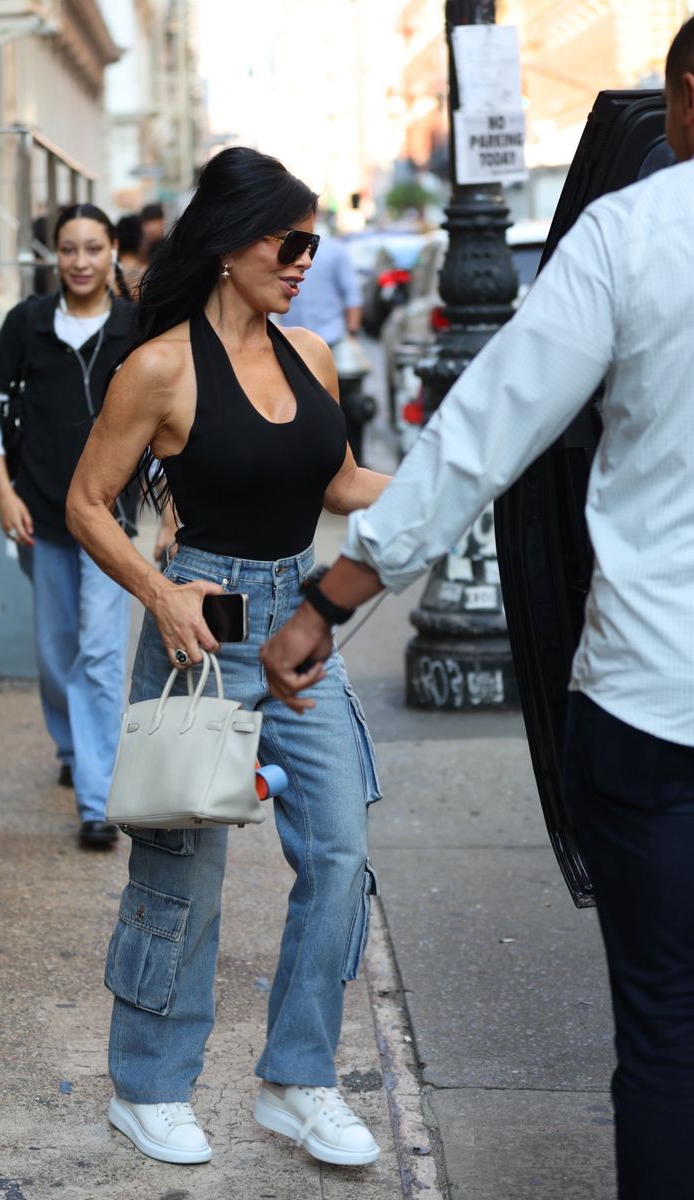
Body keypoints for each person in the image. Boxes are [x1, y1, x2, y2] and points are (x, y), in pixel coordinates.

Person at [261, 21, 694, 1200]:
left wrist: (331, 597)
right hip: (650, 703)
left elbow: (479, 437)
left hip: (654, 702)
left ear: (687, 97)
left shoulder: (632, 232)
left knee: (666, 1032)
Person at [65, 146, 390, 1167]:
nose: (303, 262)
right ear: (227, 247)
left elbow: (337, 486)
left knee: (337, 853)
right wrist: (157, 592)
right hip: (202, 632)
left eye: (311, 245)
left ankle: (298, 1080)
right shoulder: (158, 367)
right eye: (287, 243)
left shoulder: (312, 356)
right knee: (185, 871)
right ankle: (148, 1087)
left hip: (301, 626)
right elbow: (85, 503)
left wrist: (460, 484)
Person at [0, 203, 138, 849]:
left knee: (99, 656)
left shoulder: (135, 325)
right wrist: (1, 491)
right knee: (55, 653)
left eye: (93, 248)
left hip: (111, 517)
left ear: (113, 250)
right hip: (40, 511)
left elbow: (170, 419)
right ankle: (73, 747)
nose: (79, 262)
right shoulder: (28, 323)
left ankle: (98, 804)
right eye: (68, 249)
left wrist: (173, 512)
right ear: (54, 255)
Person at [277, 218, 368, 460]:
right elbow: (353, 296)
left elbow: (352, 297)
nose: (305, 261)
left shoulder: (325, 251)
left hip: (318, 344)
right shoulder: (335, 250)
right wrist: (352, 334)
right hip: (304, 343)